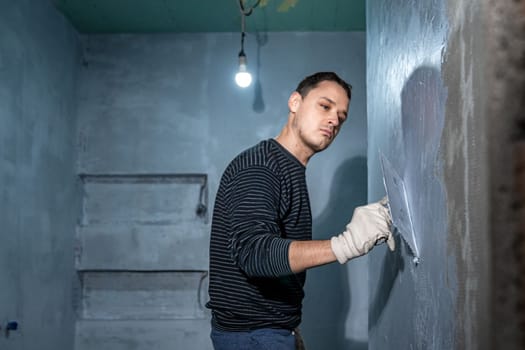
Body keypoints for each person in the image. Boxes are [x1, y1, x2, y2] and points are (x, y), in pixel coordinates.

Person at [206, 72, 395, 350]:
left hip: (270, 332)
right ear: (295, 102)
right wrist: (345, 245)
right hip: (252, 336)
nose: (334, 120)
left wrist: (289, 329)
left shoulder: (288, 169)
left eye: (341, 117)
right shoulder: (260, 167)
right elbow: (255, 255)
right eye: (325, 106)